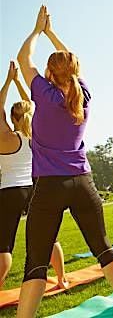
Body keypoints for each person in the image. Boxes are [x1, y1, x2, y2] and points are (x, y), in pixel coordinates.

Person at [15, 6, 113, 317]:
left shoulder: (44, 93)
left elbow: (23, 59)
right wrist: (53, 33)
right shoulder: (84, 96)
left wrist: (37, 31)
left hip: (50, 187)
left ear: (50, 74)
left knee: (37, 261)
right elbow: (72, 65)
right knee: (102, 246)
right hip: (83, 182)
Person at [0, 61, 67, 290]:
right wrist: (19, 81)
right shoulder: (38, 134)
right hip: (37, 188)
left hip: (10, 191)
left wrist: (8, 81)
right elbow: (32, 105)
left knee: (4, 245)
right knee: (50, 238)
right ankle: (61, 279)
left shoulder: (6, 137)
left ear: (12, 118)